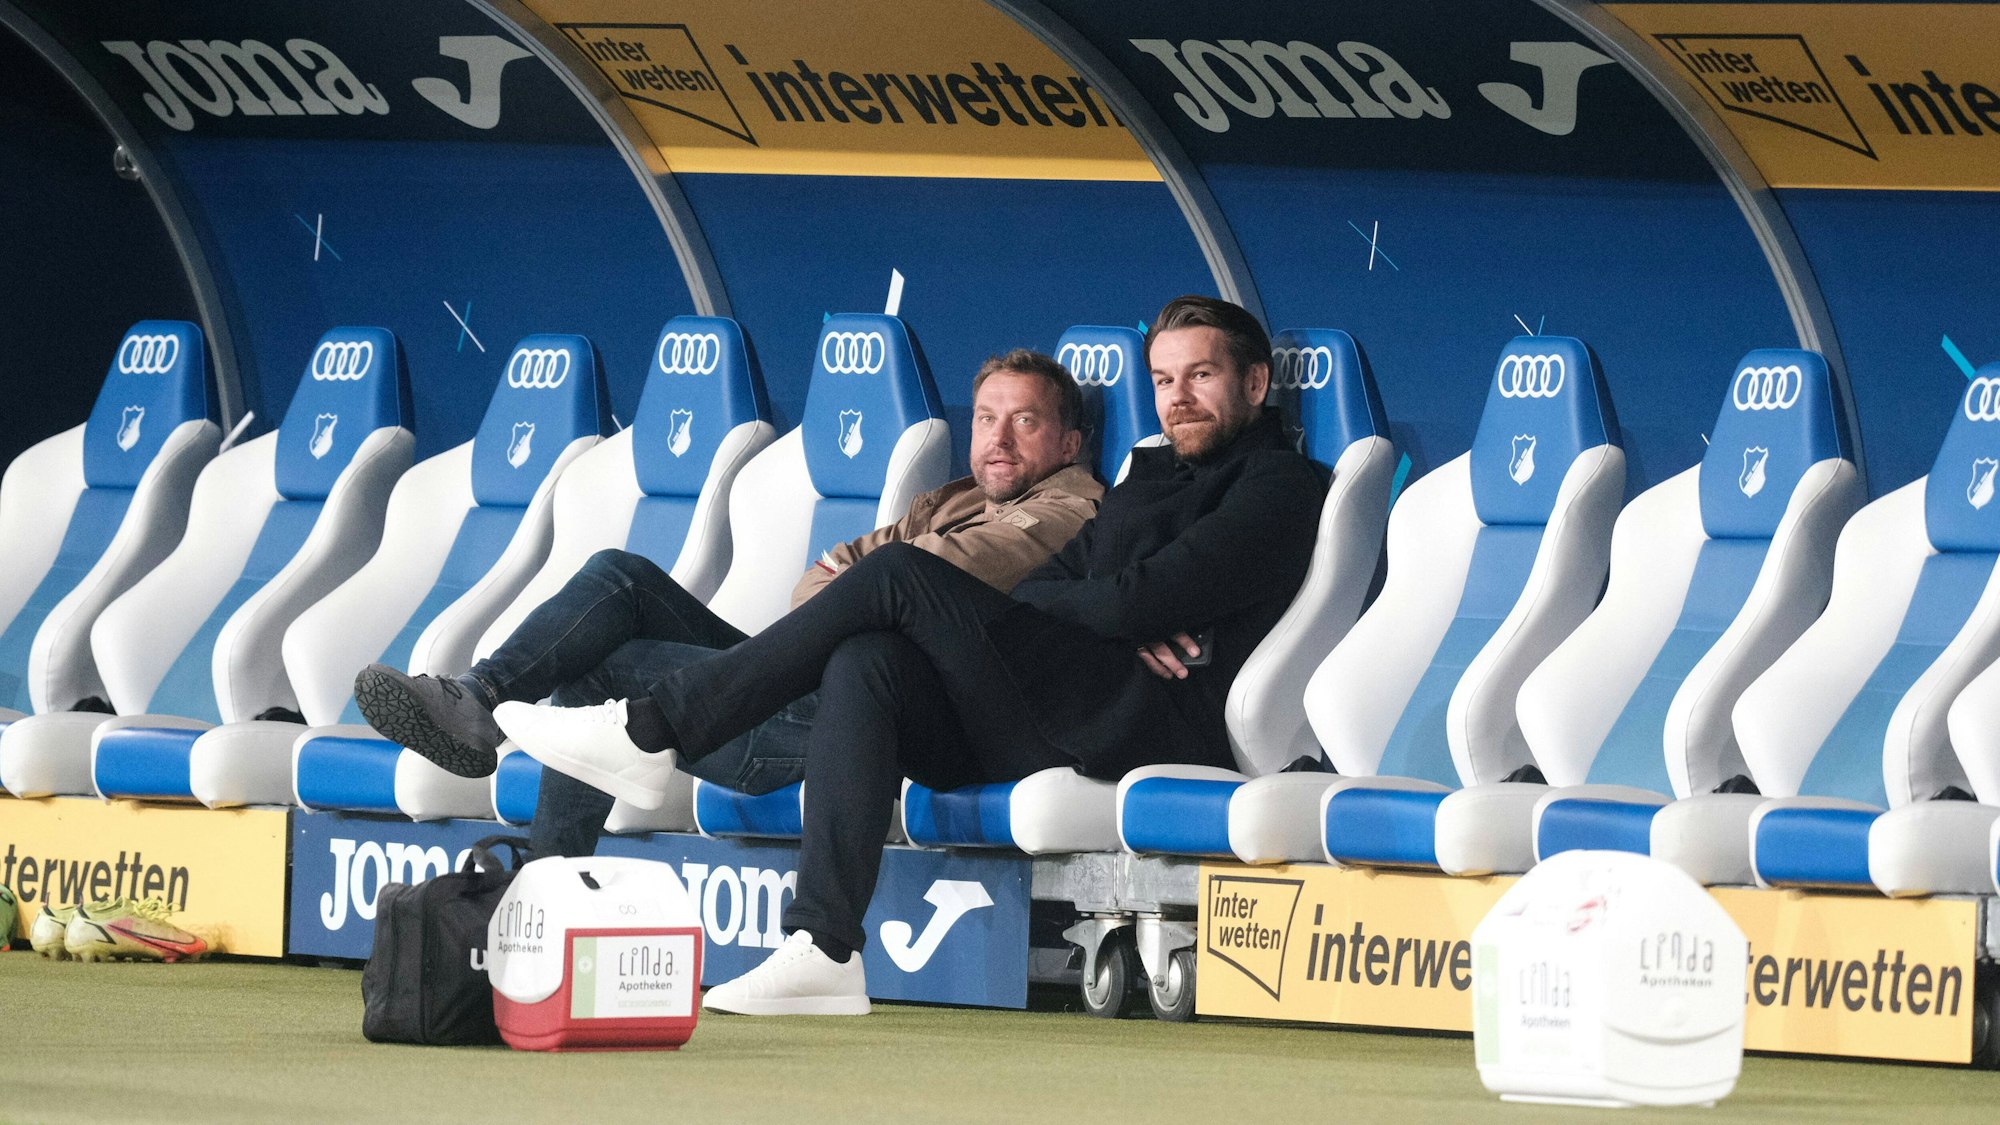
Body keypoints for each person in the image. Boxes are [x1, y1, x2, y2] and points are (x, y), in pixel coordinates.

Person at [493, 296, 1329, 1016]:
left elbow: (1133, 596)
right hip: (1057, 705)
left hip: (1144, 727)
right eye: (1163, 379)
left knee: (898, 574)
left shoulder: (1282, 487)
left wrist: (1122, 607)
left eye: (1202, 376)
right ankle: (824, 947)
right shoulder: (1148, 474)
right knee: (868, 656)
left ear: (1254, 384)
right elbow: (1058, 593)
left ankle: (651, 729)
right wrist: (1116, 610)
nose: (1178, 397)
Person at [353, 350, 1102, 859]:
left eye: (1024, 421)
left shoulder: (1072, 507)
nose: (997, 438)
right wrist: (864, 584)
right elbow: (824, 579)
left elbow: (903, 578)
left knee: (606, 673)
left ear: (1069, 441)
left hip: (856, 715)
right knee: (622, 575)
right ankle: (478, 696)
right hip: (794, 679)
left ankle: (545, 890)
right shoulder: (958, 495)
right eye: (984, 418)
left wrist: (867, 582)